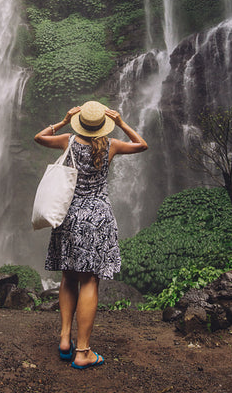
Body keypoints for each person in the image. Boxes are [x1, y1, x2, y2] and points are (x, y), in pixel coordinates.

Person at [34, 100, 148, 369]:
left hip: (69, 217)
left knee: (68, 276)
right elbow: (142, 145)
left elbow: (39, 137)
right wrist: (121, 123)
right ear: (103, 127)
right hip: (97, 219)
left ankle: (65, 340)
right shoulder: (112, 146)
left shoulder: (68, 141)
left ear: (80, 123)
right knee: (89, 281)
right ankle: (82, 351)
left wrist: (62, 120)